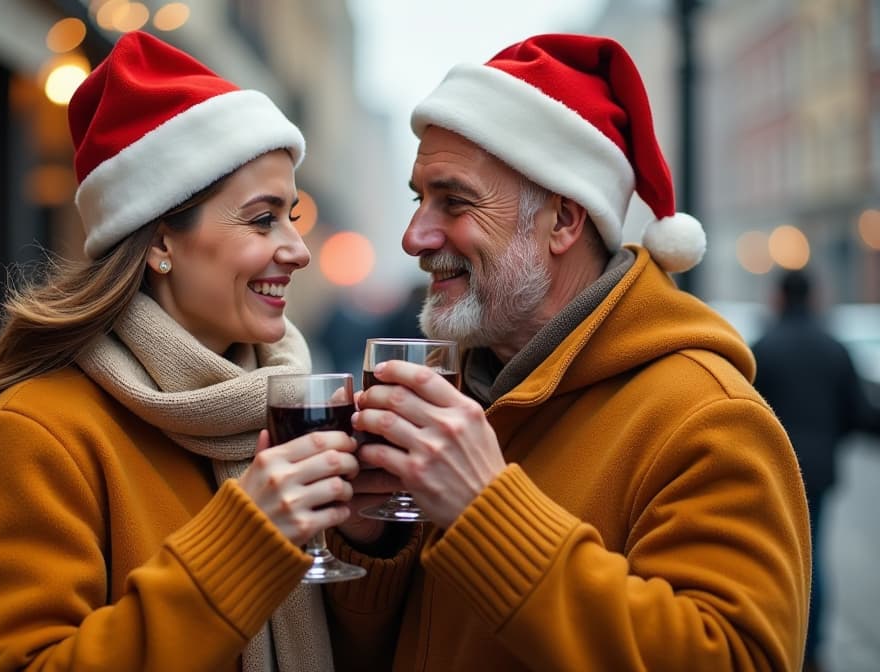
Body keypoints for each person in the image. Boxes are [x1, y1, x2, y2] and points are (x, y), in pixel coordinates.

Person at [326, 34, 811, 670]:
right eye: (419, 198)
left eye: (455, 200)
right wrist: (373, 536)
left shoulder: (707, 418)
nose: (414, 236)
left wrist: (487, 513)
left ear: (563, 220)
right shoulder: (466, 391)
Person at [0, 32, 361, 671]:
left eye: (292, 216)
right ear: (162, 240)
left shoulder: (282, 410)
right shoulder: (33, 436)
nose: (297, 249)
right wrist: (244, 549)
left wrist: (373, 535)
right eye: (263, 218)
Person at [752, 268, 880, 672]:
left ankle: (773, 638)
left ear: (778, 297)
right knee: (812, 558)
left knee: (770, 557)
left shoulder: (764, 349)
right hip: (819, 472)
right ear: (813, 297)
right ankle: (811, 649)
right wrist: (830, 437)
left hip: (770, 471)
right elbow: (859, 412)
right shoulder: (833, 349)